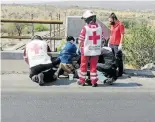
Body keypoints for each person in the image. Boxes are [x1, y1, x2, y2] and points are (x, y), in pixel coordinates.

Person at [78, 10, 104, 87]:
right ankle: (94, 82)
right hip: (96, 50)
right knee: (93, 66)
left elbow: (80, 40)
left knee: (83, 65)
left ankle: (82, 81)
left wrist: (78, 48)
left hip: (86, 50)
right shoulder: (100, 27)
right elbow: (102, 39)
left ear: (87, 19)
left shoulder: (85, 28)